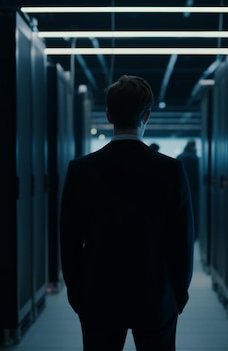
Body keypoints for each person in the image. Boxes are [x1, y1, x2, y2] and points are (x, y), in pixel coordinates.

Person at [60, 75, 194, 350]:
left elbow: (69, 240)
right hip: (156, 296)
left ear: (109, 114)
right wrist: (177, 296)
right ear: (146, 115)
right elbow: (182, 241)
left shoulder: (81, 170)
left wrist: (77, 294)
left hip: (99, 296)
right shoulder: (170, 171)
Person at [176, 140, 200, 235]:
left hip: (181, 189)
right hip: (194, 191)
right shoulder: (196, 159)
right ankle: (194, 235)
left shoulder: (180, 157)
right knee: (194, 214)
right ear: (194, 146)